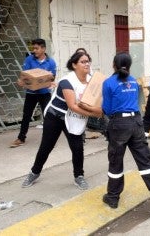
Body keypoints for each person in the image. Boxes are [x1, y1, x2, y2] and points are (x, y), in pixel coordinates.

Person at [101, 52, 150, 210]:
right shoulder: (134, 82)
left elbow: (106, 109)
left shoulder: (108, 83)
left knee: (116, 162)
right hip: (136, 123)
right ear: (129, 66)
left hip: (119, 125)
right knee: (145, 162)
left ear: (113, 65)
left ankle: (113, 198)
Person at [21, 51, 101, 188]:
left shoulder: (92, 81)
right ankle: (34, 172)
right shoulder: (67, 81)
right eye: (83, 61)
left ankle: (79, 176)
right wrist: (95, 114)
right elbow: (73, 106)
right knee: (46, 146)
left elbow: (96, 100)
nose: (86, 64)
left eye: (88, 61)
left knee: (77, 147)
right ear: (74, 65)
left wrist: (99, 110)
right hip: (56, 116)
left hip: (75, 118)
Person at [11, 38, 57, 148]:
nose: (34, 51)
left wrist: (52, 82)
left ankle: (49, 139)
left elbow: (52, 77)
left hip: (45, 93)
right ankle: (21, 138)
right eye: (33, 48)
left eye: (36, 48)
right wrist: (21, 82)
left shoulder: (51, 62)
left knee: (47, 115)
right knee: (26, 116)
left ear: (43, 49)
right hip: (31, 93)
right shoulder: (29, 60)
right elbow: (25, 76)